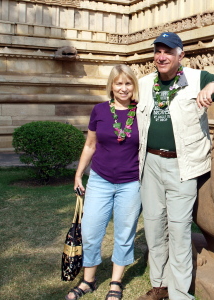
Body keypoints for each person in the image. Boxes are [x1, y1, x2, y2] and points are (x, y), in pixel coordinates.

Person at [136, 32, 214, 300]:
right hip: (150, 165)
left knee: (179, 230)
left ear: (181, 55)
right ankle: (160, 285)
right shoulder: (144, 84)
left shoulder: (198, 78)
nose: (161, 56)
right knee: (154, 228)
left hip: (183, 166)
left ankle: (180, 294)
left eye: (168, 51)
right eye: (157, 51)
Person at [65, 64, 141, 300]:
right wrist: (79, 173)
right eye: (118, 83)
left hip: (131, 182)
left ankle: (116, 282)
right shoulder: (99, 110)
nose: (123, 88)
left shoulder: (141, 112)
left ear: (133, 86)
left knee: (125, 232)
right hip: (100, 179)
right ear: (111, 86)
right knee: (90, 231)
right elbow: (90, 145)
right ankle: (89, 280)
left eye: (128, 83)